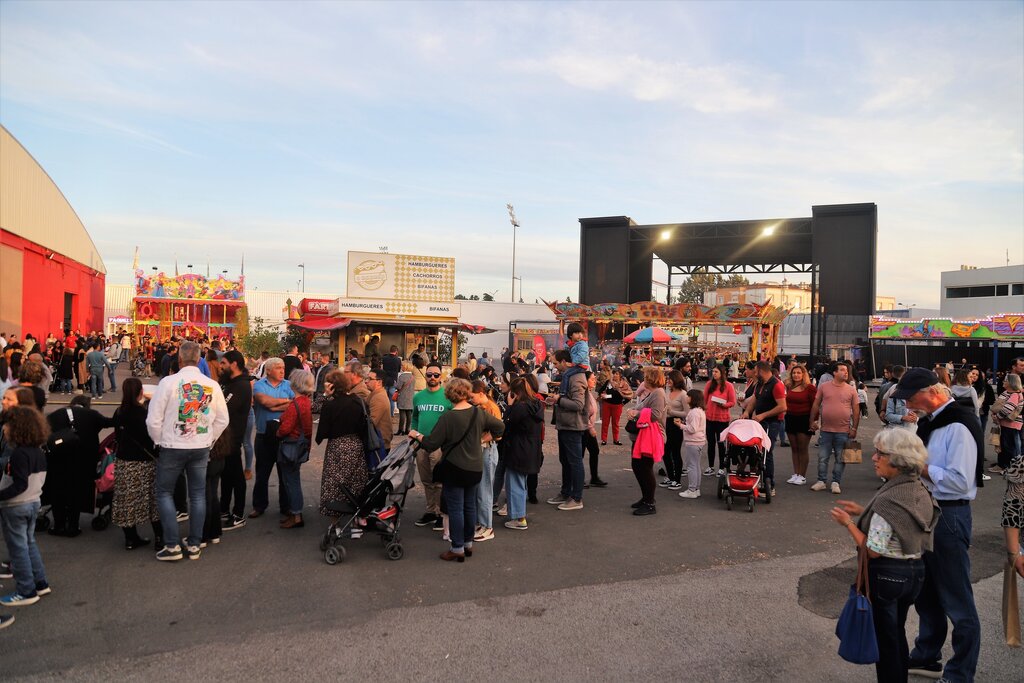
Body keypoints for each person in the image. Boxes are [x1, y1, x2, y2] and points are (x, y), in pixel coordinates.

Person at [888, 369, 982, 682]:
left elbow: (959, 482)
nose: (907, 404)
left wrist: (920, 467)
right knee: (926, 592)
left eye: (911, 397)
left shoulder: (958, 424)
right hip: (926, 511)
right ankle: (928, 655)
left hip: (949, 515)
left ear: (931, 391)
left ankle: (960, 673)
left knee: (957, 599)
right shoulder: (930, 420)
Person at [829, 428, 938, 682]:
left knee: (886, 643)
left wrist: (849, 524)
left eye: (880, 453)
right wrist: (865, 512)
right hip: (914, 574)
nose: (874, 458)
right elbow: (903, 522)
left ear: (898, 460)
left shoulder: (888, 501)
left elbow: (872, 551)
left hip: (887, 577)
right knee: (896, 633)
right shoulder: (918, 489)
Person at [146, 341, 229, 562]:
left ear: (180, 359)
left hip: (172, 445)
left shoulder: (168, 383)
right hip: (200, 446)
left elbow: (153, 419)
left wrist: (159, 441)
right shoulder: (211, 384)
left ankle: (172, 545)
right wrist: (209, 439)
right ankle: (194, 544)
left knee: (164, 492)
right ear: (200, 359)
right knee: (198, 494)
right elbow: (223, 419)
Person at [410, 378, 505, 562]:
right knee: (470, 506)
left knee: (455, 508)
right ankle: (468, 543)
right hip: (475, 467)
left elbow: (431, 444)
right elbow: (500, 427)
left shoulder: (448, 417)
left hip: (454, 468)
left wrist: (417, 434)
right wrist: (484, 438)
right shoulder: (478, 413)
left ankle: (457, 547)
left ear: (449, 395)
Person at [0, 406, 50, 609]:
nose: (4, 429)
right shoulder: (38, 452)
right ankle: (40, 582)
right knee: (28, 544)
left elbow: (19, 484)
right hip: (33, 502)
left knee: (18, 548)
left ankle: (26, 590)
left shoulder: (19, 454)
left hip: (16, 505)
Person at [44, 395, 113, 536]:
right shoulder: (92, 415)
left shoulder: (55, 415)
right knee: (75, 492)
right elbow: (110, 422)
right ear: (87, 405)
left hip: (58, 460)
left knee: (58, 492)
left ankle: (59, 526)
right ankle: (73, 527)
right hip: (84, 461)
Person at [111, 378, 162, 551]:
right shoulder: (144, 414)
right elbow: (152, 437)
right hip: (145, 461)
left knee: (127, 501)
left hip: (125, 461)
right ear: (140, 392)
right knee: (153, 500)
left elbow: (117, 436)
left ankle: (130, 539)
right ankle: (160, 538)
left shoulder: (119, 412)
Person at [316, 369, 368, 518]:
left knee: (334, 482)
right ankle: (356, 518)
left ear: (331, 386)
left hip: (337, 446)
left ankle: (335, 518)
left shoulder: (330, 405)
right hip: (356, 445)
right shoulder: (358, 401)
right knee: (356, 481)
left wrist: (325, 395)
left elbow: (322, 426)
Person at [249, 358, 294, 519]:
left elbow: (295, 405)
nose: (282, 371)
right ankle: (259, 505)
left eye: (283, 368)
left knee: (285, 474)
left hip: (284, 436)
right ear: (268, 371)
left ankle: (286, 506)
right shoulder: (259, 385)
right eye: (278, 368)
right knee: (262, 473)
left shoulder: (288, 385)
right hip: (263, 435)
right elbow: (264, 402)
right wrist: (285, 403)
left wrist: (275, 404)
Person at [546, 349, 589, 511]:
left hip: (573, 425)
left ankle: (576, 498)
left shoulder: (576, 377)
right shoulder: (568, 376)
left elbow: (578, 405)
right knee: (565, 461)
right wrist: (556, 400)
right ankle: (566, 493)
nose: (555, 367)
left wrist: (559, 399)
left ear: (565, 362)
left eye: (556, 363)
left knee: (574, 462)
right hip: (565, 424)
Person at [411, 363, 453, 529]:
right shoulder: (418, 397)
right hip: (421, 445)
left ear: (441, 376)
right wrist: (413, 433)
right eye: (429, 375)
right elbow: (414, 418)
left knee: (439, 482)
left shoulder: (447, 397)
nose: (432, 378)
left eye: (436, 375)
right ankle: (431, 511)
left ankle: (441, 514)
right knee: (426, 480)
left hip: (439, 446)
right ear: (425, 376)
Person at [808, 362, 858, 495]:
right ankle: (821, 481)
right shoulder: (824, 387)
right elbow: (816, 404)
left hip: (843, 430)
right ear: (834, 373)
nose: (845, 372)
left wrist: (854, 428)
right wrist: (812, 420)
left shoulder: (851, 389)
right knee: (823, 457)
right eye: (842, 370)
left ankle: (836, 482)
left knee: (840, 458)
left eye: (846, 370)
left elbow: (856, 410)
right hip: (826, 429)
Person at [502, 377, 544, 530]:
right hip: (531, 448)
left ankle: (519, 518)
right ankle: (517, 515)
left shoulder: (520, 407)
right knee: (520, 483)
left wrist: (509, 406)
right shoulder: (537, 404)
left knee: (515, 484)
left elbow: (506, 423)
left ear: (515, 392)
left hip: (518, 449)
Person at [218, 350, 252, 531]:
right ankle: (224, 508)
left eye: (223, 363)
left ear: (234, 364)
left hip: (232, 438)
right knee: (226, 475)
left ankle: (238, 514)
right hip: (222, 439)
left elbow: (223, 408)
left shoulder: (241, 386)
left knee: (236, 476)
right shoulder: (228, 383)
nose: (220, 366)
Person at [626, 366, 667, 515]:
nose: (643, 380)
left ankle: (650, 503)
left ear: (651, 379)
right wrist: (634, 411)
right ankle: (646, 498)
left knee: (645, 468)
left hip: (650, 437)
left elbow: (655, 415)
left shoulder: (658, 394)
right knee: (638, 466)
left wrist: (636, 413)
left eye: (645, 378)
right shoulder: (654, 393)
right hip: (642, 436)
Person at [742, 361, 787, 496]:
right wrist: (746, 412)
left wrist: (763, 415)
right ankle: (757, 479)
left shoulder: (776, 385)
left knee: (767, 452)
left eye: (755, 371)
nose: (754, 374)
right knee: (756, 451)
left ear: (761, 371)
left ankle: (769, 484)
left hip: (772, 423)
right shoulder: (760, 384)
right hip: (760, 421)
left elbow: (782, 407)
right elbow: (754, 401)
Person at [277, 370, 313, 530]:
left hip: (290, 445)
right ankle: (295, 513)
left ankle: (296, 514)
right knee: (293, 479)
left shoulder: (296, 404)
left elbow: (285, 429)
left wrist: (277, 431)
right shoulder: (305, 401)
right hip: (300, 445)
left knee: (291, 481)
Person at [469, 380, 502, 542]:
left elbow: (499, 432)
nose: (470, 399)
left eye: (472, 396)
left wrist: (480, 441)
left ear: (481, 393)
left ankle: (487, 526)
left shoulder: (490, 407)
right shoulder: (483, 406)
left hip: (488, 450)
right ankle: (481, 523)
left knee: (485, 490)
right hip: (483, 450)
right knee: (480, 489)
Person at [784, 365, 816, 486]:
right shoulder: (789, 386)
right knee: (794, 448)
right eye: (794, 373)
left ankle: (802, 475)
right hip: (790, 418)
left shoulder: (810, 388)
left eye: (798, 373)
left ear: (803, 374)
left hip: (804, 419)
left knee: (803, 448)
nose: (796, 375)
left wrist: (814, 421)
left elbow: (815, 405)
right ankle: (796, 473)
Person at [703, 364, 736, 475]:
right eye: (713, 372)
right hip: (710, 418)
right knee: (711, 443)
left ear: (722, 373)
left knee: (721, 443)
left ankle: (722, 467)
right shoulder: (709, 384)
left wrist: (724, 405)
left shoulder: (729, 386)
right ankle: (710, 466)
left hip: (722, 419)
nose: (714, 374)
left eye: (716, 372)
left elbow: (732, 402)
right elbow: (704, 400)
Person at [991, 373, 1023, 474]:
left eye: (1005, 380)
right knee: (1005, 446)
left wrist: (997, 417)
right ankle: (1004, 466)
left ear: (1011, 383)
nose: (1003, 382)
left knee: (1009, 447)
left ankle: (1010, 468)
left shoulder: (1014, 394)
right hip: (1006, 424)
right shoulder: (1008, 392)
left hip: (1011, 425)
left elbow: (1007, 409)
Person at [678, 390, 707, 500]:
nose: (686, 398)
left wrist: (681, 425)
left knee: (691, 466)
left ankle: (692, 489)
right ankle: (696, 488)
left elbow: (692, 429)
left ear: (693, 398)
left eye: (688, 396)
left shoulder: (694, 412)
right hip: (698, 441)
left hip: (693, 441)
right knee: (696, 466)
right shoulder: (700, 411)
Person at [661, 370, 688, 490]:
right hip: (666, 423)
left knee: (675, 452)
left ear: (676, 380)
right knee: (665, 452)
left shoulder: (683, 394)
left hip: (676, 424)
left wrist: (672, 412)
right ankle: (670, 476)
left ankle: (677, 479)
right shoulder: (668, 392)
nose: (667, 381)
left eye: (669, 379)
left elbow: (687, 413)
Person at [582, 372, 606, 488]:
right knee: (579, 455)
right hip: (584, 428)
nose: (594, 381)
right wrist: (590, 428)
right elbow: (583, 413)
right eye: (592, 379)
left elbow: (590, 408)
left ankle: (594, 477)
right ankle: (579, 479)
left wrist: (597, 400)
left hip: (588, 427)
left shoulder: (589, 393)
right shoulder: (583, 393)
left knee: (594, 451)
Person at [365, 368, 393, 450]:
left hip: (379, 444)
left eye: (370, 379)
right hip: (378, 442)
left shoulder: (379, 398)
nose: (366, 381)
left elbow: (371, 423)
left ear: (379, 382)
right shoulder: (374, 394)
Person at [394, 362, 414, 435]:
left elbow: (398, 387)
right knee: (409, 414)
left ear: (405, 367)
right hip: (411, 397)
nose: (401, 366)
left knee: (402, 414)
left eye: (402, 365)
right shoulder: (412, 376)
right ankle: (407, 430)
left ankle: (400, 430)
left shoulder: (402, 376)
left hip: (402, 397)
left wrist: (395, 384)